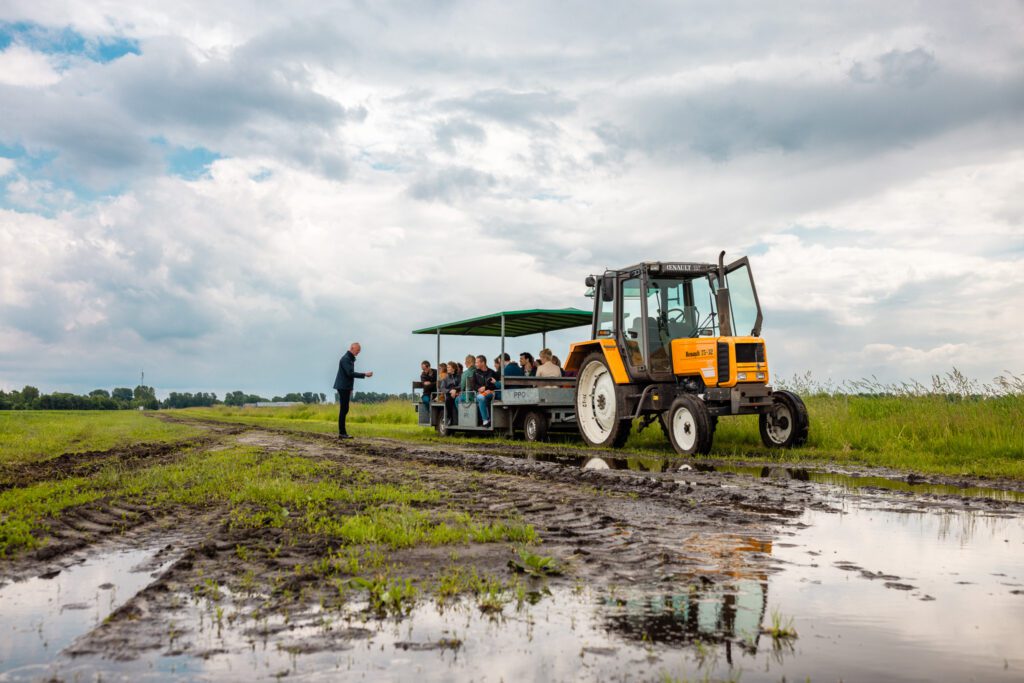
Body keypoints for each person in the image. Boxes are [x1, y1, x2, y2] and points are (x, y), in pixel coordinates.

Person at [333, 342, 373, 439]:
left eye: (359, 351)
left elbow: (349, 376)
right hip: (342, 387)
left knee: (345, 409)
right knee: (344, 409)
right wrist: (365, 374)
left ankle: (342, 433)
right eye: (357, 350)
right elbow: (350, 374)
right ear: (352, 348)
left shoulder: (350, 359)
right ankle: (342, 433)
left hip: (345, 387)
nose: (358, 352)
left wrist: (351, 388)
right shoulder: (346, 359)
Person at [470, 354, 499, 426]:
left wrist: (486, 388)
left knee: (481, 397)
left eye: (477, 362)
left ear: (483, 363)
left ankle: (486, 420)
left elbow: (495, 385)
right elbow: (473, 385)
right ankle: (486, 420)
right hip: (479, 393)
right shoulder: (475, 372)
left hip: (490, 393)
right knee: (480, 397)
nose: (475, 364)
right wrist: (479, 389)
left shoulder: (492, 372)